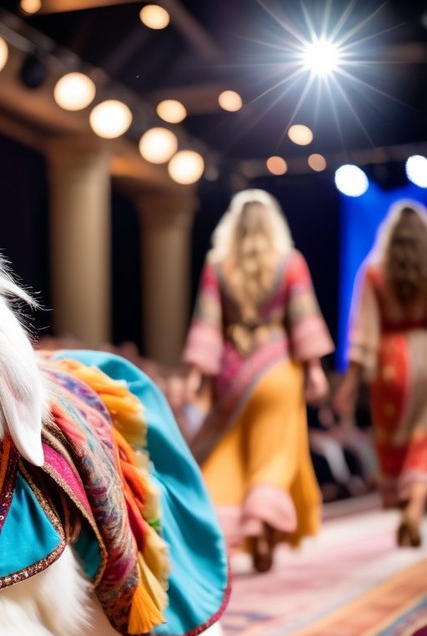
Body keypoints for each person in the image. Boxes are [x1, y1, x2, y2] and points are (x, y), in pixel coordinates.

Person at [182, 189, 334, 572]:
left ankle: (228, 528)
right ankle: (263, 523)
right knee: (274, 454)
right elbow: (303, 317)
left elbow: (207, 324)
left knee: (230, 452)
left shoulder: (217, 265)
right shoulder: (291, 263)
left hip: (233, 375)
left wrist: (196, 377)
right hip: (280, 371)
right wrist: (315, 370)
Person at [333, 201, 427, 546]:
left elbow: (364, 333)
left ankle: (407, 504)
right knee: (424, 439)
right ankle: (416, 506)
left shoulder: (374, 270)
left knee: (399, 443)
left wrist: (350, 382)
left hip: (391, 366)